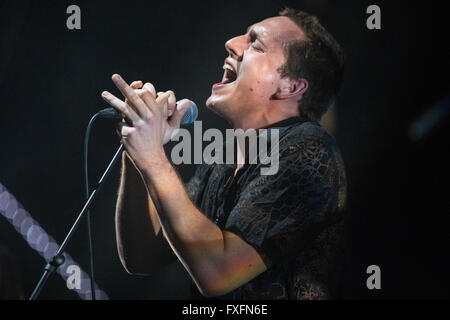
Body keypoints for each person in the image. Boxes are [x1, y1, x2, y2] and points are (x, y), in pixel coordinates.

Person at [101, 8, 347, 299]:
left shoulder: (310, 151)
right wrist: (137, 149)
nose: (232, 42)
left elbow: (216, 273)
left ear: (290, 86)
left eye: (255, 44)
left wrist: (153, 156)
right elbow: (142, 257)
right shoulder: (226, 157)